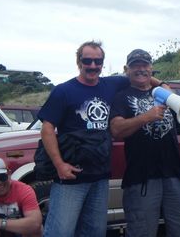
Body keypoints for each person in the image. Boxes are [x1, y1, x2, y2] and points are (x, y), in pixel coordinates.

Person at [38, 41, 164, 237]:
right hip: (71, 178)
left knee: (94, 232)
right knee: (60, 232)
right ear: (79, 62)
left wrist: (164, 87)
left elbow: (141, 76)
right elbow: (47, 129)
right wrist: (59, 164)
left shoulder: (111, 84)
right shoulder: (63, 90)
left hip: (100, 177)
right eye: (87, 60)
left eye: (98, 61)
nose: (93, 65)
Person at [109, 49, 180, 237]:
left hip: (173, 174)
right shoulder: (121, 96)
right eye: (135, 66)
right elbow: (116, 129)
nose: (141, 69)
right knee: (142, 231)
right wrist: (146, 117)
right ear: (127, 70)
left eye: (145, 65)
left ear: (151, 68)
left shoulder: (166, 93)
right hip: (141, 178)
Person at [0, 158, 42, 237]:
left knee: (36, 230)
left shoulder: (24, 190)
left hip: (19, 231)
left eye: (2, 177)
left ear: (9, 173)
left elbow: (35, 224)